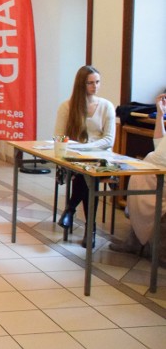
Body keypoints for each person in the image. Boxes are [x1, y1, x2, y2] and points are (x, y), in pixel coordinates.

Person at [55, 65, 116, 246]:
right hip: (75, 157)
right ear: (81, 84)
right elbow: (59, 136)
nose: (94, 86)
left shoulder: (106, 106)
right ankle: (91, 229)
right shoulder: (67, 106)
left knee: (88, 174)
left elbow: (109, 139)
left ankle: (71, 210)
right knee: (86, 174)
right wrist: (77, 149)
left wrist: (87, 148)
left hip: (101, 157)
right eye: (90, 83)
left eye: (97, 82)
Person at [109, 94, 166, 264]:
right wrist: (160, 114)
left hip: (159, 181)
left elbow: (160, 157)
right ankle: (135, 242)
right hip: (150, 176)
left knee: (150, 200)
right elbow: (159, 143)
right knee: (137, 195)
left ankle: (159, 251)